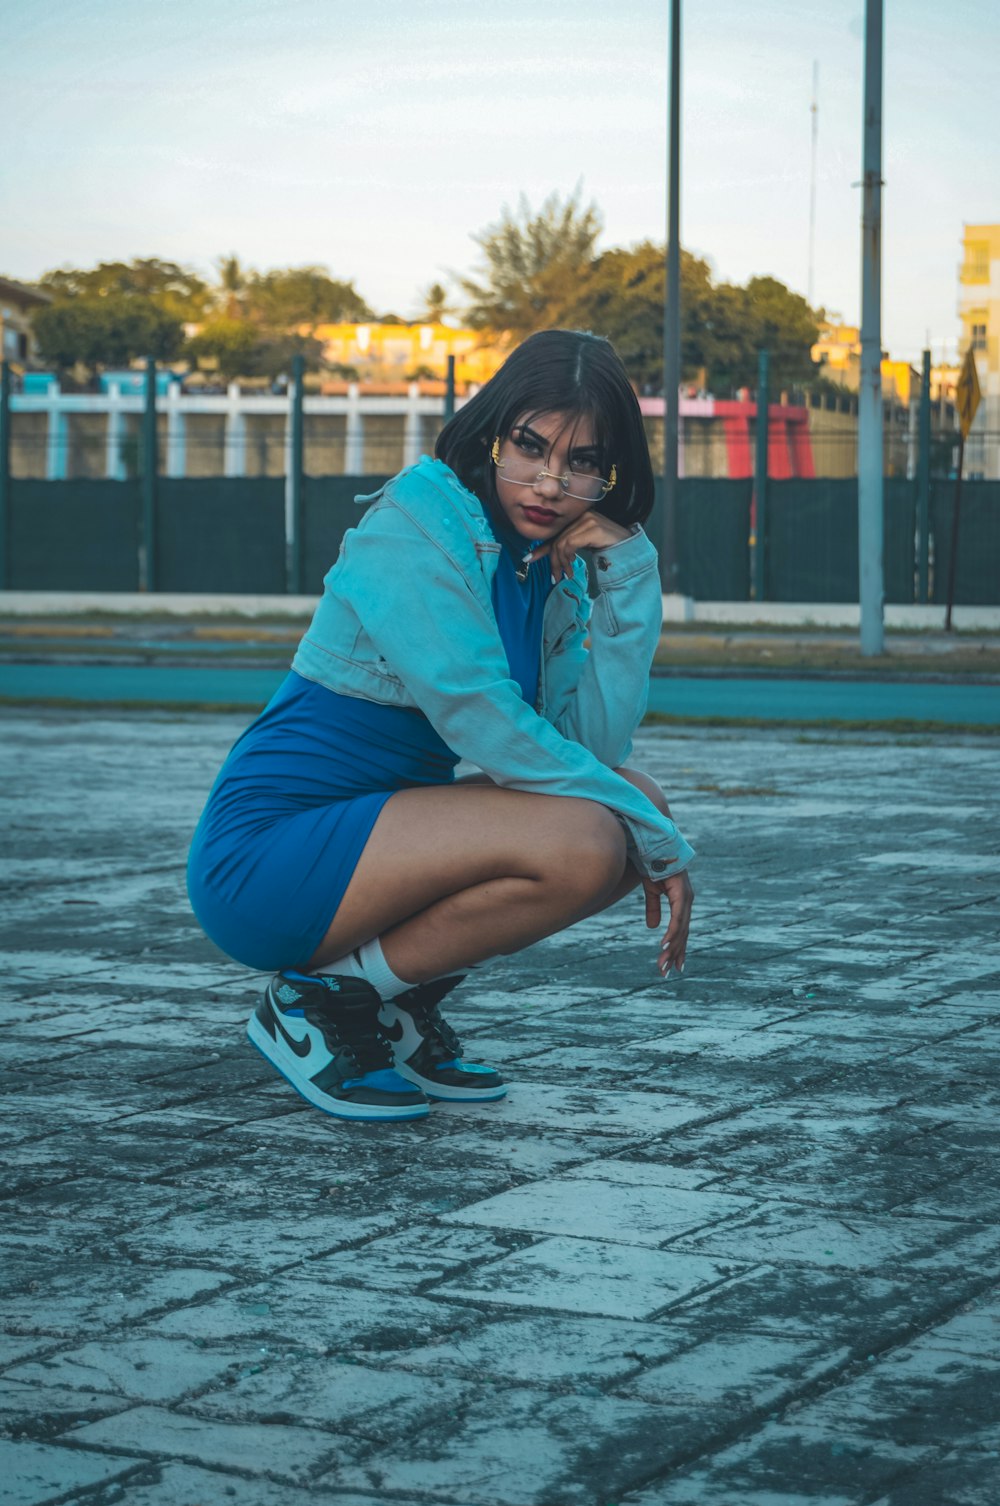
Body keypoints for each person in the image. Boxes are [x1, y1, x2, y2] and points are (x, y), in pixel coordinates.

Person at [187, 328, 695, 1124]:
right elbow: (491, 731)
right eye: (531, 447)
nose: (551, 482)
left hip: (382, 853)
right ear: (493, 431)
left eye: (584, 463)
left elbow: (589, 753)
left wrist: (629, 570)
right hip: (269, 856)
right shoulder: (416, 523)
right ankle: (323, 1003)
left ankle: (383, 1005)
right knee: (599, 834)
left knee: (634, 803)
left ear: (611, 474)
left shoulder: (539, 568)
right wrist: (652, 837)